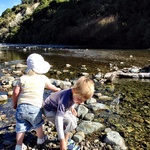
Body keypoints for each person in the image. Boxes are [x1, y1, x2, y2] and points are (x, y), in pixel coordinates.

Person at [12, 53, 61, 150]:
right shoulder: (43, 78)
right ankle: (40, 140)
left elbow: (15, 92)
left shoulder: (22, 78)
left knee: (20, 128)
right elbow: (51, 87)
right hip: (35, 107)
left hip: (21, 107)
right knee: (38, 125)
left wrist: (14, 103)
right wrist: (59, 90)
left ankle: (18, 146)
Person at [43, 76, 95, 150]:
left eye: (83, 100)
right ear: (74, 90)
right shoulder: (65, 100)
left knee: (73, 120)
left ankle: (65, 140)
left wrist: (72, 107)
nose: (81, 102)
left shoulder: (75, 93)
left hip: (57, 108)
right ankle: (63, 142)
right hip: (49, 110)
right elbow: (59, 119)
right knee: (68, 122)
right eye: (79, 99)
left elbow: (73, 100)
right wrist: (61, 140)